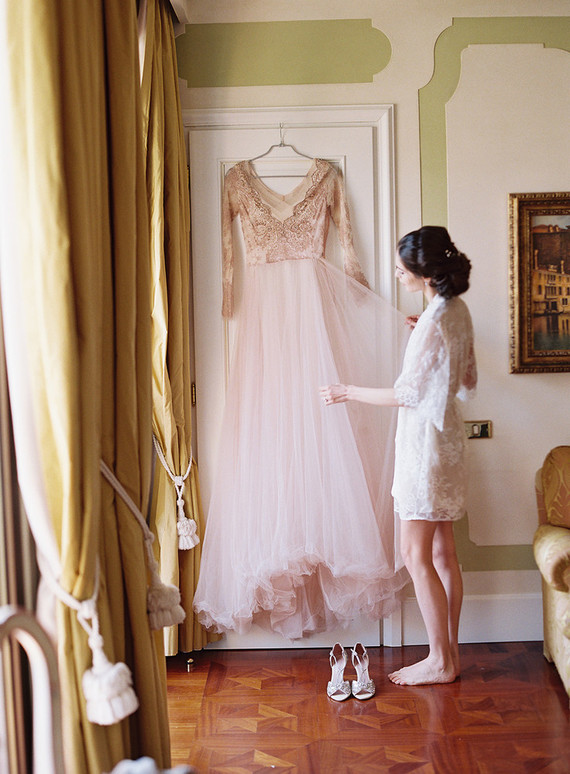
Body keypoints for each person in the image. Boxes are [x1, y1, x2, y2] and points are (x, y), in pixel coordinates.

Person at [321, 226, 477, 685]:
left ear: (423, 273)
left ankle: (439, 661)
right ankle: (448, 653)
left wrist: (345, 390)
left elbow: (406, 394)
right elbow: (467, 383)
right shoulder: (455, 311)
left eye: (400, 267)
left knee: (415, 553)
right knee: (445, 554)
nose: (395, 273)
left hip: (423, 449)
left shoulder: (434, 321)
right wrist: (424, 334)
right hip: (447, 445)